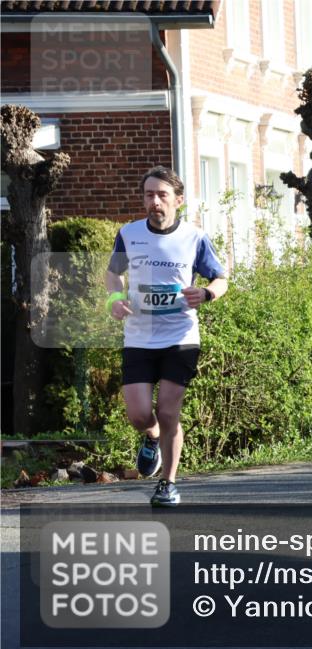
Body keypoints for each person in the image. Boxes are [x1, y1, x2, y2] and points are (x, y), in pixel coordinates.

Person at [106, 165, 228, 507]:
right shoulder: (129, 234)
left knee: (169, 409)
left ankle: (168, 483)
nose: (154, 201)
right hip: (139, 338)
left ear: (178, 200)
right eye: (149, 195)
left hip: (181, 337)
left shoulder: (194, 237)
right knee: (140, 415)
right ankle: (151, 436)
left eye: (162, 195)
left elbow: (221, 278)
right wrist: (115, 299)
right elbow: (113, 274)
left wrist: (207, 294)